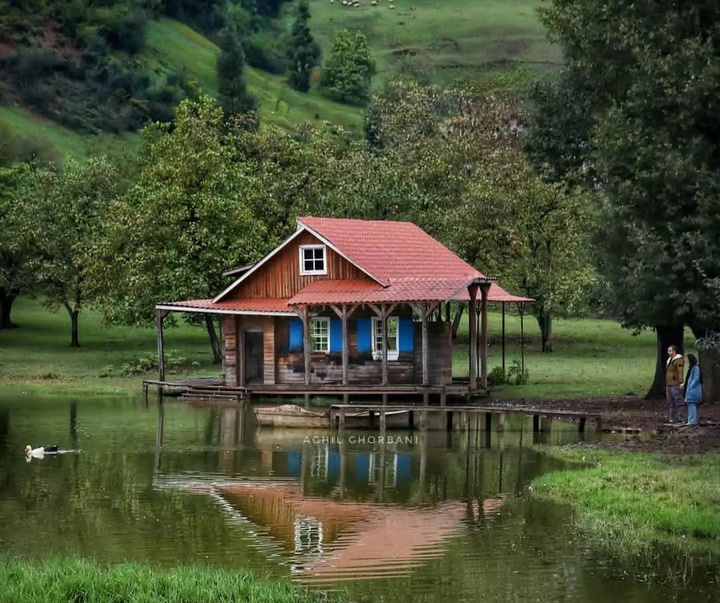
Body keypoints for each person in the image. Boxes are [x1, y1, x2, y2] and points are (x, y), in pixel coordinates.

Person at [665, 344, 685, 423]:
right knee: (670, 402)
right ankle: (671, 418)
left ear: (674, 351)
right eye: (668, 351)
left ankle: (681, 417)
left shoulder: (678, 360)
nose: (668, 352)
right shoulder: (669, 359)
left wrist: (681, 382)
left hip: (675, 383)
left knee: (678, 401)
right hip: (669, 384)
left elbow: (680, 371)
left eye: (670, 351)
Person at [682, 353, 702, 426]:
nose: (686, 360)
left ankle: (693, 421)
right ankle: (691, 420)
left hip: (693, 390)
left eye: (687, 359)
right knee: (690, 405)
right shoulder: (691, 368)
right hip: (690, 390)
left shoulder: (696, 368)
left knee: (692, 405)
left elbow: (696, 378)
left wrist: (690, 386)